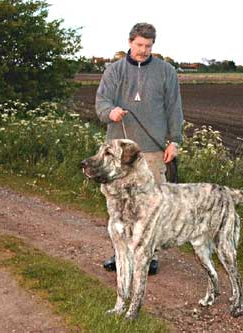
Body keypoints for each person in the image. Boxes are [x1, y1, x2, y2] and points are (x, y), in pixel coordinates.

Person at [95, 22, 183, 275]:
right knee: (119, 204)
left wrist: (174, 140)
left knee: (150, 205)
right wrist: (109, 112)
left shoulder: (166, 72)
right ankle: (119, 254)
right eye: (139, 45)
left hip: (153, 151)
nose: (143, 50)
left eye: (148, 45)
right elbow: (102, 101)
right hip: (119, 152)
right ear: (130, 42)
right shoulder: (114, 70)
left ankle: (150, 256)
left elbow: (174, 108)